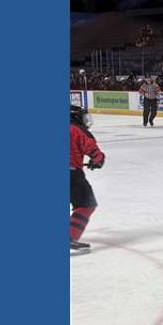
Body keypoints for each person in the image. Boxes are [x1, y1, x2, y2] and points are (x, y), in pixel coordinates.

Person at [70, 105, 105, 252]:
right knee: (86, 204)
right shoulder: (76, 129)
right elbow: (94, 152)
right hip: (71, 173)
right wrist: (98, 160)